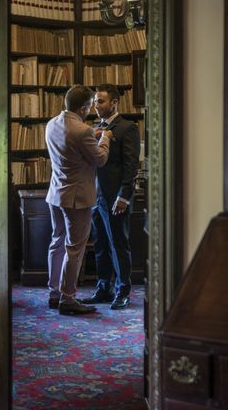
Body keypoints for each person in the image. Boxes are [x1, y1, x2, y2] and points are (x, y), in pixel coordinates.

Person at [45, 84, 113, 315]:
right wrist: (104, 138)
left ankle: (54, 292)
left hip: (56, 193)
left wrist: (91, 134)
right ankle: (68, 298)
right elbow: (100, 159)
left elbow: (69, 143)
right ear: (84, 107)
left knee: (56, 242)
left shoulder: (52, 124)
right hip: (77, 198)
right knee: (75, 249)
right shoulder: (83, 131)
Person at [82, 84, 140, 310]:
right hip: (96, 198)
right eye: (95, 101)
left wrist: (124, 196)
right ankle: (103, 288)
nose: (96, 105)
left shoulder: (127, 128)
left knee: (118, 244)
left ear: (114, 102)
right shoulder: (95, 128)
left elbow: (131, 165)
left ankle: (123, 290)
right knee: (101, 244)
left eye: (101, 101)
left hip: (116, 198)